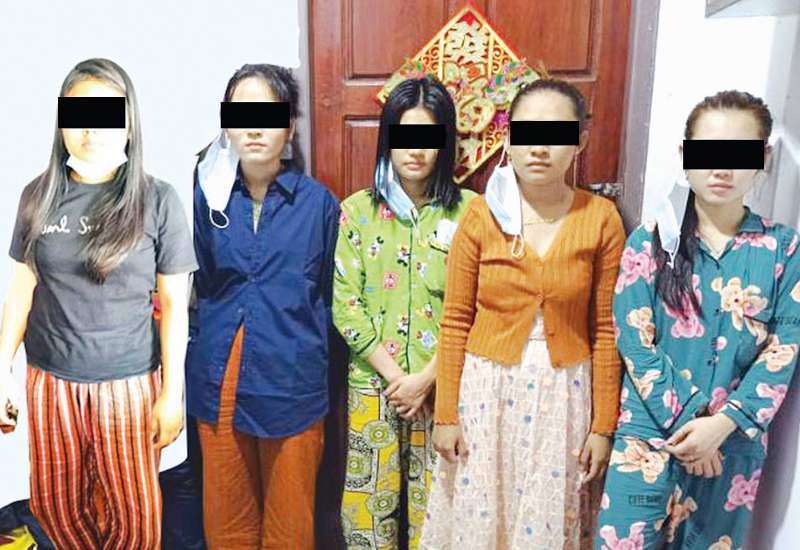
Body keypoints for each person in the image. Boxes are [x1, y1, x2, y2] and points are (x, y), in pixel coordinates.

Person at [0, 58, 196, 549]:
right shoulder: (37, 197)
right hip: (50, 383)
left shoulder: (158, 199)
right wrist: (1, 371)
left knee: (134, 516)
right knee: (57, 509)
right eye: (78, 114)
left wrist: (172, 395)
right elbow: (22, 288)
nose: (91, 128)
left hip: (127, 386)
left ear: (128, 122)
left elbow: (175, 306)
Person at [421, 79, 626, 549]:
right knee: (482, 522)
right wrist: (446, 414)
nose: (539, 147)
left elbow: (605, 330)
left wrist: (603, 426)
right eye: (528, 131)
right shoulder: (480, 217)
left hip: (564, 394)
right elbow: (455, 320)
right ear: (509, 138)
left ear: (580, 142)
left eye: (556, 133)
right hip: (486, 392)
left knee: (544, 520)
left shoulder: (601, 218)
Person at [596, 90, 800, 549]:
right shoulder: (649, 242)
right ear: (685, 154)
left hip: (731, 450)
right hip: (647, 442)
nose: (722, 168)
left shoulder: (785, 249)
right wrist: (694, 420)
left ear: (763, 158)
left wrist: (719, 427)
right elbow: (635, 343)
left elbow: (784, 350)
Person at [185, 63, 340, 550]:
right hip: (219, 378)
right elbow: (201, 285)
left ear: (289, 126)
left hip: (292, 383)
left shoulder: (319, 205)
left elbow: (329, 299)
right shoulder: (206, 198)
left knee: (291, 528)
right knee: (227, 525)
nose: (254, 128)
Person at [333, 76, 477, 549]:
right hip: (374, 384)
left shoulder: (471, 214)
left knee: (436, 509)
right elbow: (345, 305)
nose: (415, 150)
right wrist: (398, 378)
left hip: (445, 386)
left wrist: (427, 378)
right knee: (368, 511)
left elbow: (479, 306)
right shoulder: (357, 211)